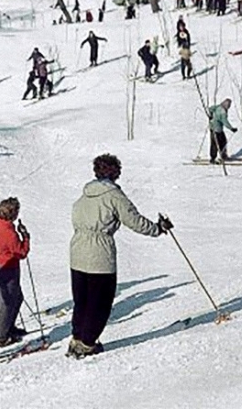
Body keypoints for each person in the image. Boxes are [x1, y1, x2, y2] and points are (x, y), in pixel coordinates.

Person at [68, 154, 171, 359]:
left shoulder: (85, 194)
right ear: (115, 172)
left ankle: (77, 338)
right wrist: (157, 229)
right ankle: (87, 343)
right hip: (99, 254)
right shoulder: (114, 195)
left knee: (83, 300)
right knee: (100, 301)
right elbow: (133, 220)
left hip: (77, 251)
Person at [0, 198, 30, 348]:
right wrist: (26, 238)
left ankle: (9, 327)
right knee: (8, 302)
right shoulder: (10, 233)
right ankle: (2, 337)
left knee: (16, 298)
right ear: (13, 214)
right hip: (9, 268)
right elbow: (21, 253)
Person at [208, 98, 237, 162]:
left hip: (212, 128)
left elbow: (210, 108)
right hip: (217, 130)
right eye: (229, 105)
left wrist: (210, 115)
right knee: (221, 142)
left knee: (214, 143)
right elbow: (225, 121)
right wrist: (231, 128)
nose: (229, 107)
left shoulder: (218, 107)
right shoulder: (222, 112)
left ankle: (214, 157)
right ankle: (222, 156)